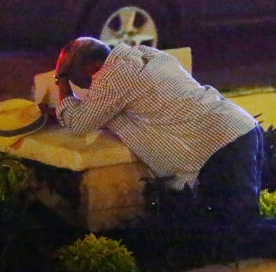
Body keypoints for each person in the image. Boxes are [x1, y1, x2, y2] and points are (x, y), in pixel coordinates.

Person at [54, 38, 264, 225]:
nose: (92, 89)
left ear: (94, 68)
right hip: (236, 132)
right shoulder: (144, 55)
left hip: (220, 145)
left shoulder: (113, 76)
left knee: (240, 230)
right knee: (236, 226)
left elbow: (78, 124)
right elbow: (108, 108)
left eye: (85, 83)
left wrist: (61, 78)